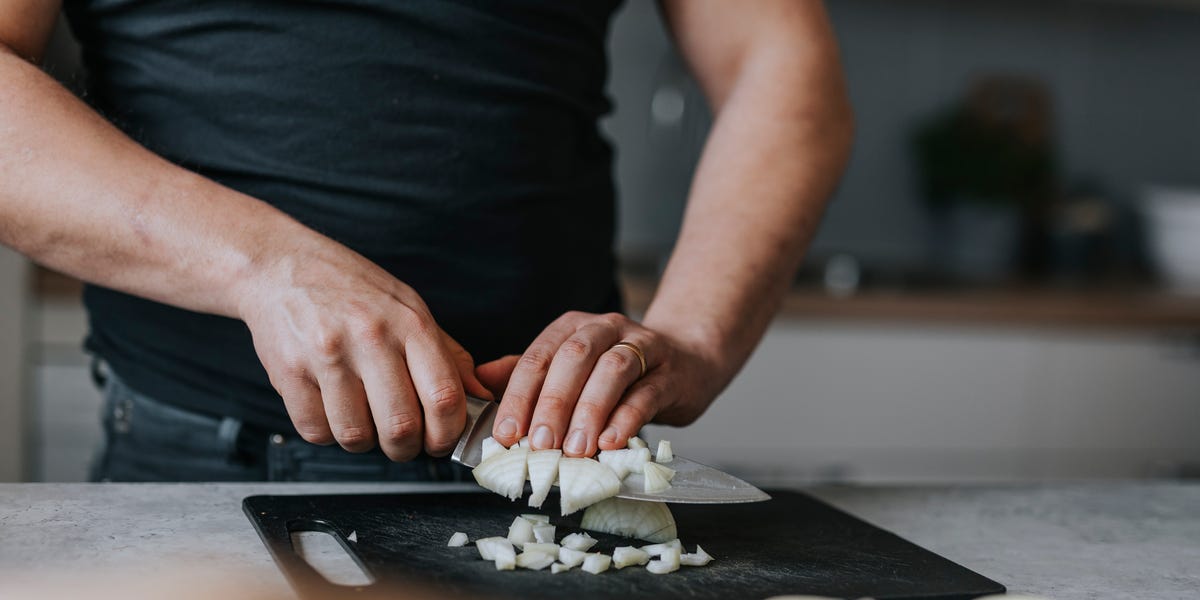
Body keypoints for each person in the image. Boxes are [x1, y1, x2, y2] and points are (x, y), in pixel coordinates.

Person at [0, 1, 853, 482]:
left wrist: (697, 333)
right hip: (193, 462)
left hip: (546, 464)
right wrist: (261, 265)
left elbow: (779, 65)